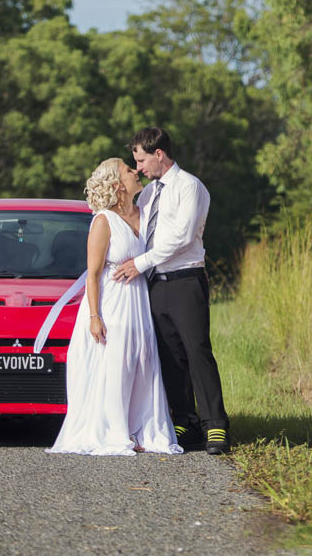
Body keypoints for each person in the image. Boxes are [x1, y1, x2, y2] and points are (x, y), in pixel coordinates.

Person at [47, 157, 182, 457]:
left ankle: (142, 429)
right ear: (117, 184)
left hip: (138, 302)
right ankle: (116, 431)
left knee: (143, 363)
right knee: (117, 366)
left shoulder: (143, 213)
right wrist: (95, 316)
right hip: (112, 303)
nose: (136, 171)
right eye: (127, 169)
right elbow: (92, 274)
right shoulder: (103, 221)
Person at [111, 127, 229, 455]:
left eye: (141, 159)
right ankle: (185, 419)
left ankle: (215, 424)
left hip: (185, 280)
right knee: (169, 353)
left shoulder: (189, 187)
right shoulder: (148, 195)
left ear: (159, 154)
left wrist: (140, 262)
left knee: (197, 350)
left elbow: (181, 237)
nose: (139, 168)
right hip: (154, 284)